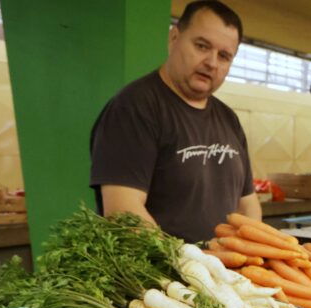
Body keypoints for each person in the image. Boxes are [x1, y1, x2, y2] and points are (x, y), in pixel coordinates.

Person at [90, 0, 260, 243]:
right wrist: (191, 267)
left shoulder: (228, 119)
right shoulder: (134, 108)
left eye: (224, 56)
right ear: (174, 38)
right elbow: (123, 211)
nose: (212, 62)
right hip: (160, 278)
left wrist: (246, 258)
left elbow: (248, 206)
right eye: (202, 46)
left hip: (225, 276)